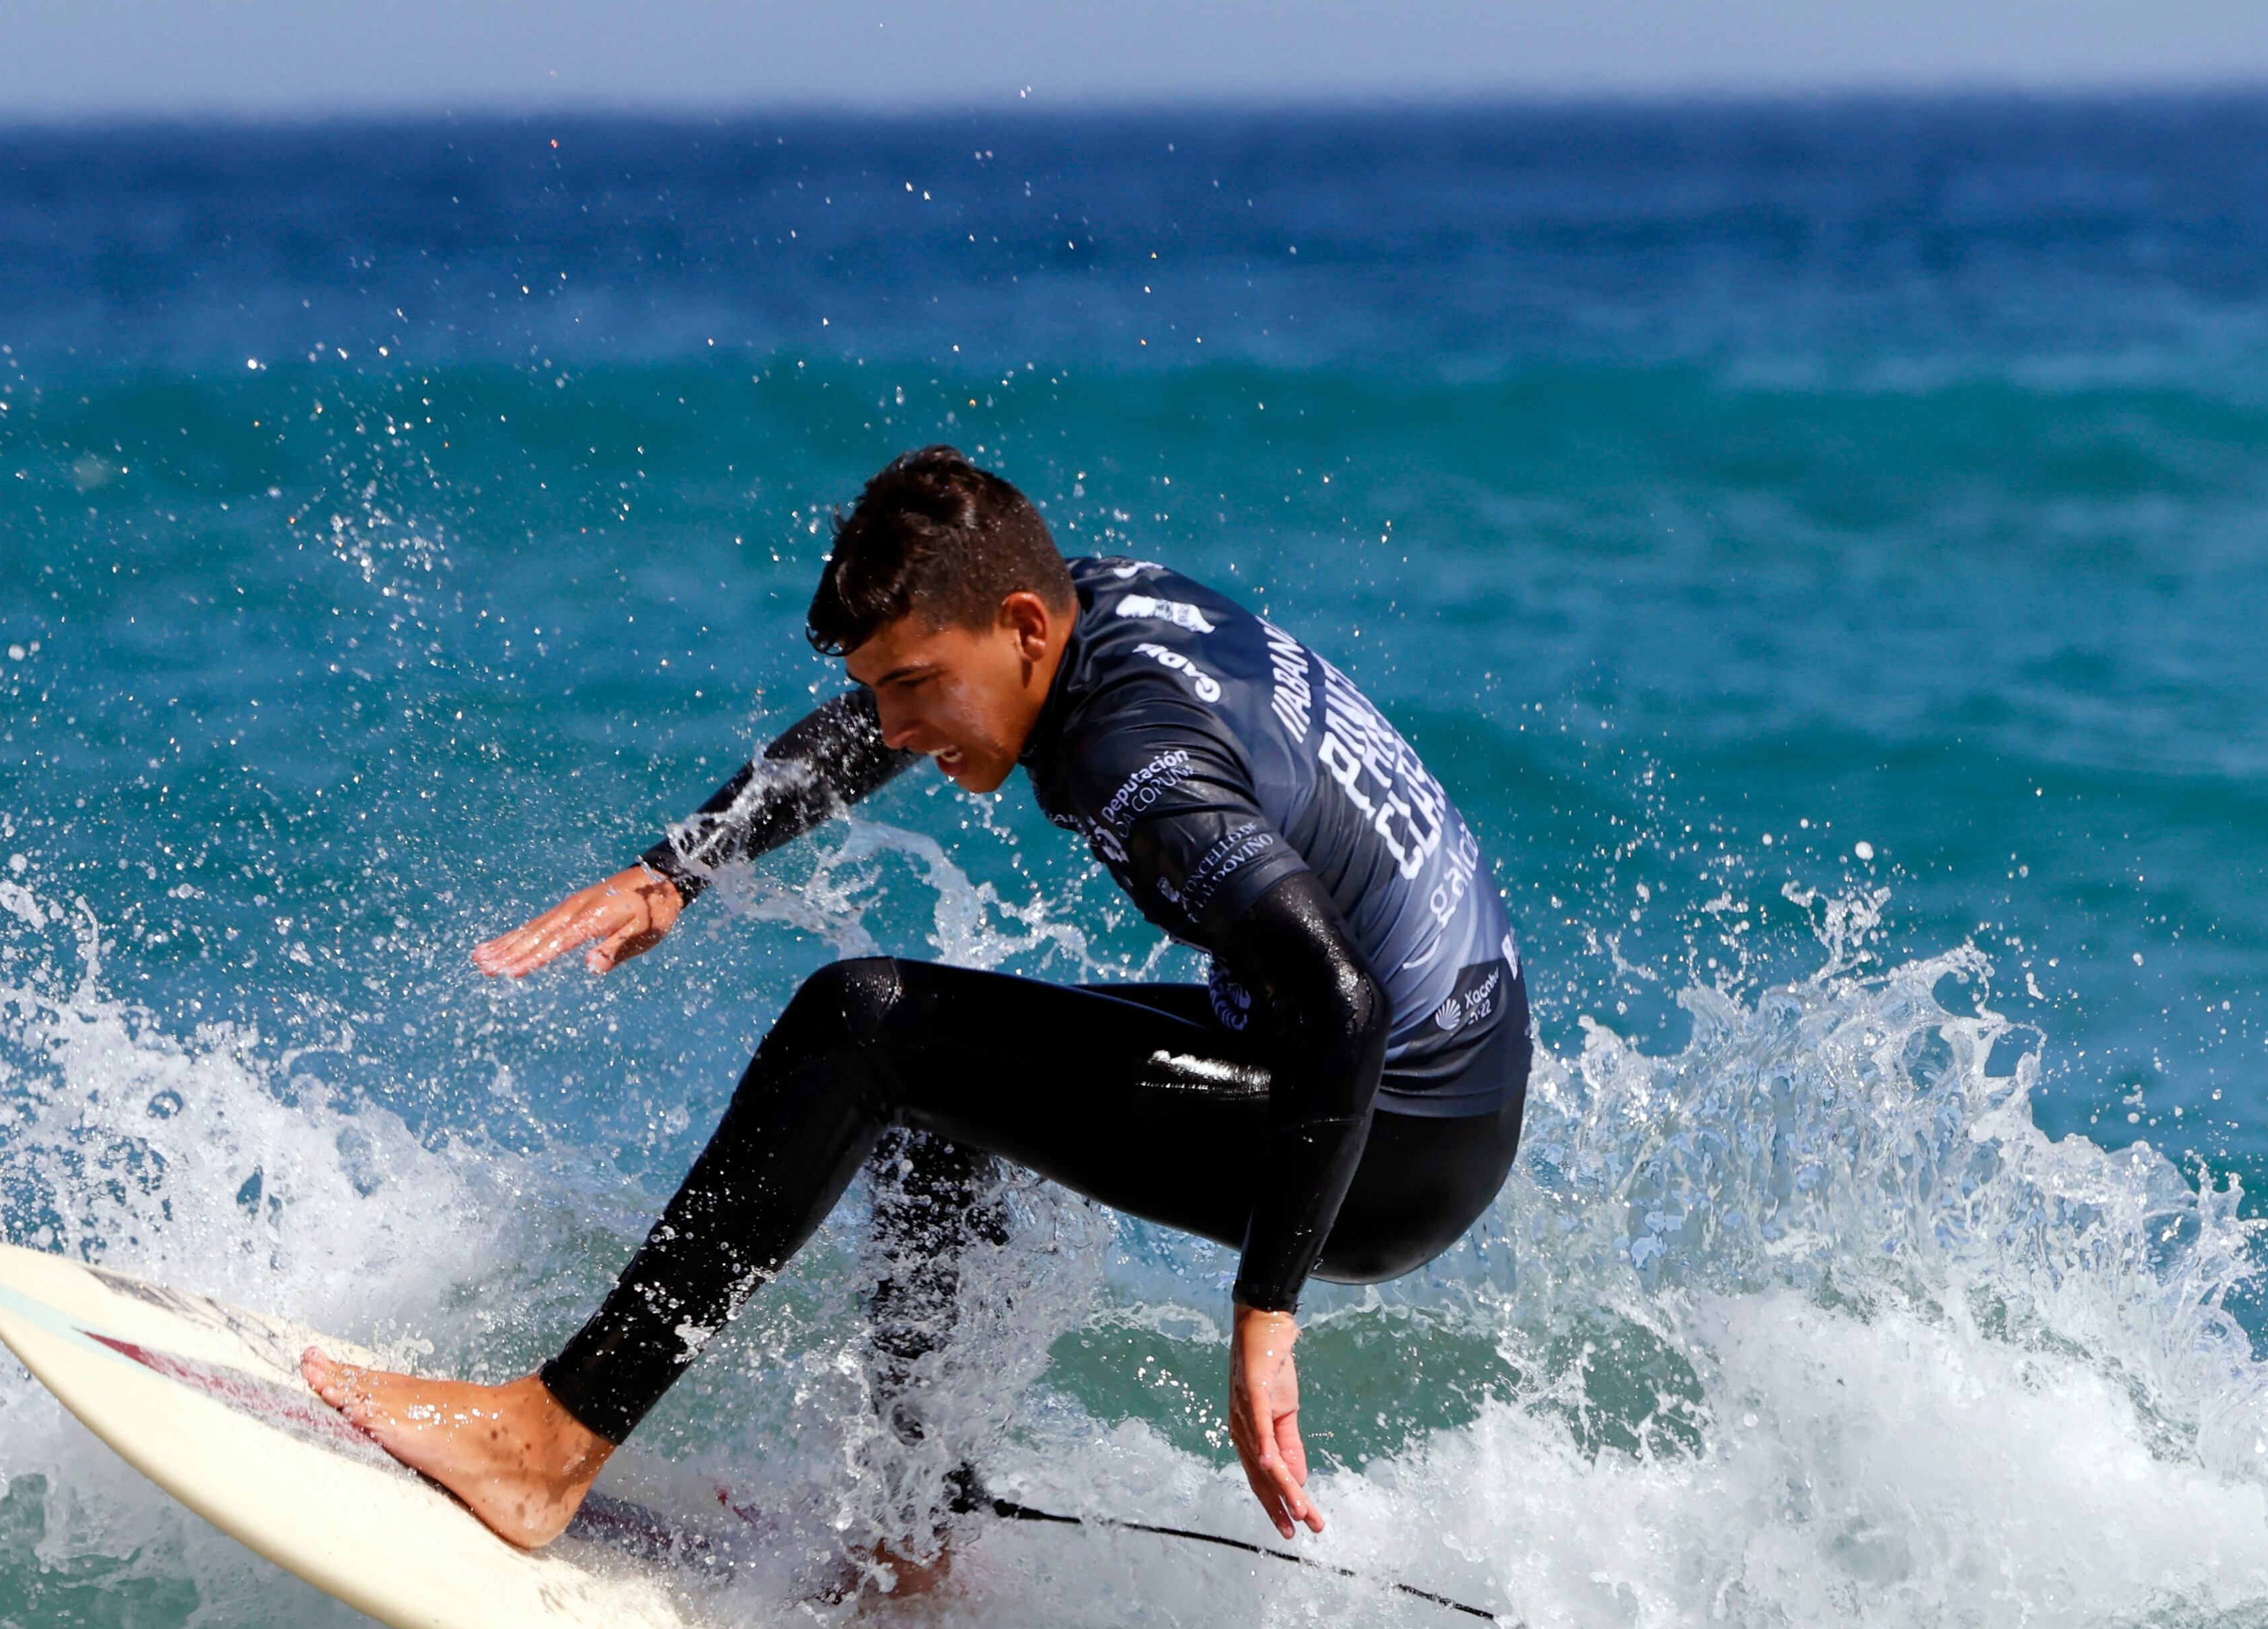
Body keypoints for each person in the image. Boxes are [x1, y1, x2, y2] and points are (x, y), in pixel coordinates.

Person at [306, 447, 1531, 1569]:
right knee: (942, 1092)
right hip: (1431, 1080)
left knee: (867, 1025)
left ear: (1021, 627)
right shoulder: (1090, 604)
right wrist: (678, 866)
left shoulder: (1131, 756)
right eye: (879, 686)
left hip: (1393, 1133)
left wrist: (1267, 1313)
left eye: (917, 686)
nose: (894, 727)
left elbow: (1343, 1004)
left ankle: (546, 1448)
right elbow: (867, 730)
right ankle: (910, 1527)